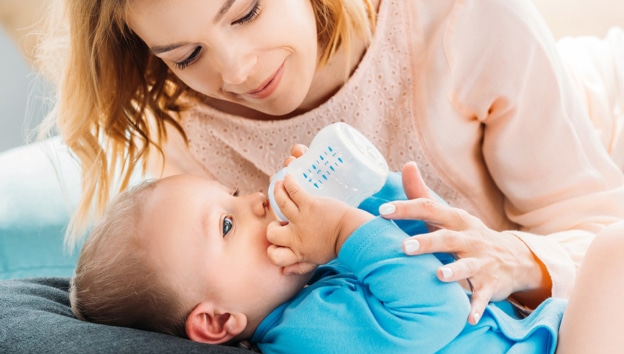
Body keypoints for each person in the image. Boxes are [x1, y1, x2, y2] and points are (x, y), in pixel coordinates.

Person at [42, 0, 624, 324]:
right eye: (187, 55)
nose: (237, 72)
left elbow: (600, 227)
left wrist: (518, 259)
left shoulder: (461, 19)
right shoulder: (191, 134)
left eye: (245, 12)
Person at [69, 166, 624, 354]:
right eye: (228, 225)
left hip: (550, 339)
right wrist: (341, 231)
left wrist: (360, 189)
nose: (258, 202)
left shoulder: (318, 282)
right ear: (217, 322)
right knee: (612, 251)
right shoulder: (307, 338)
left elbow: (414, 251)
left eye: (235, 193)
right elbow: (436, 307)